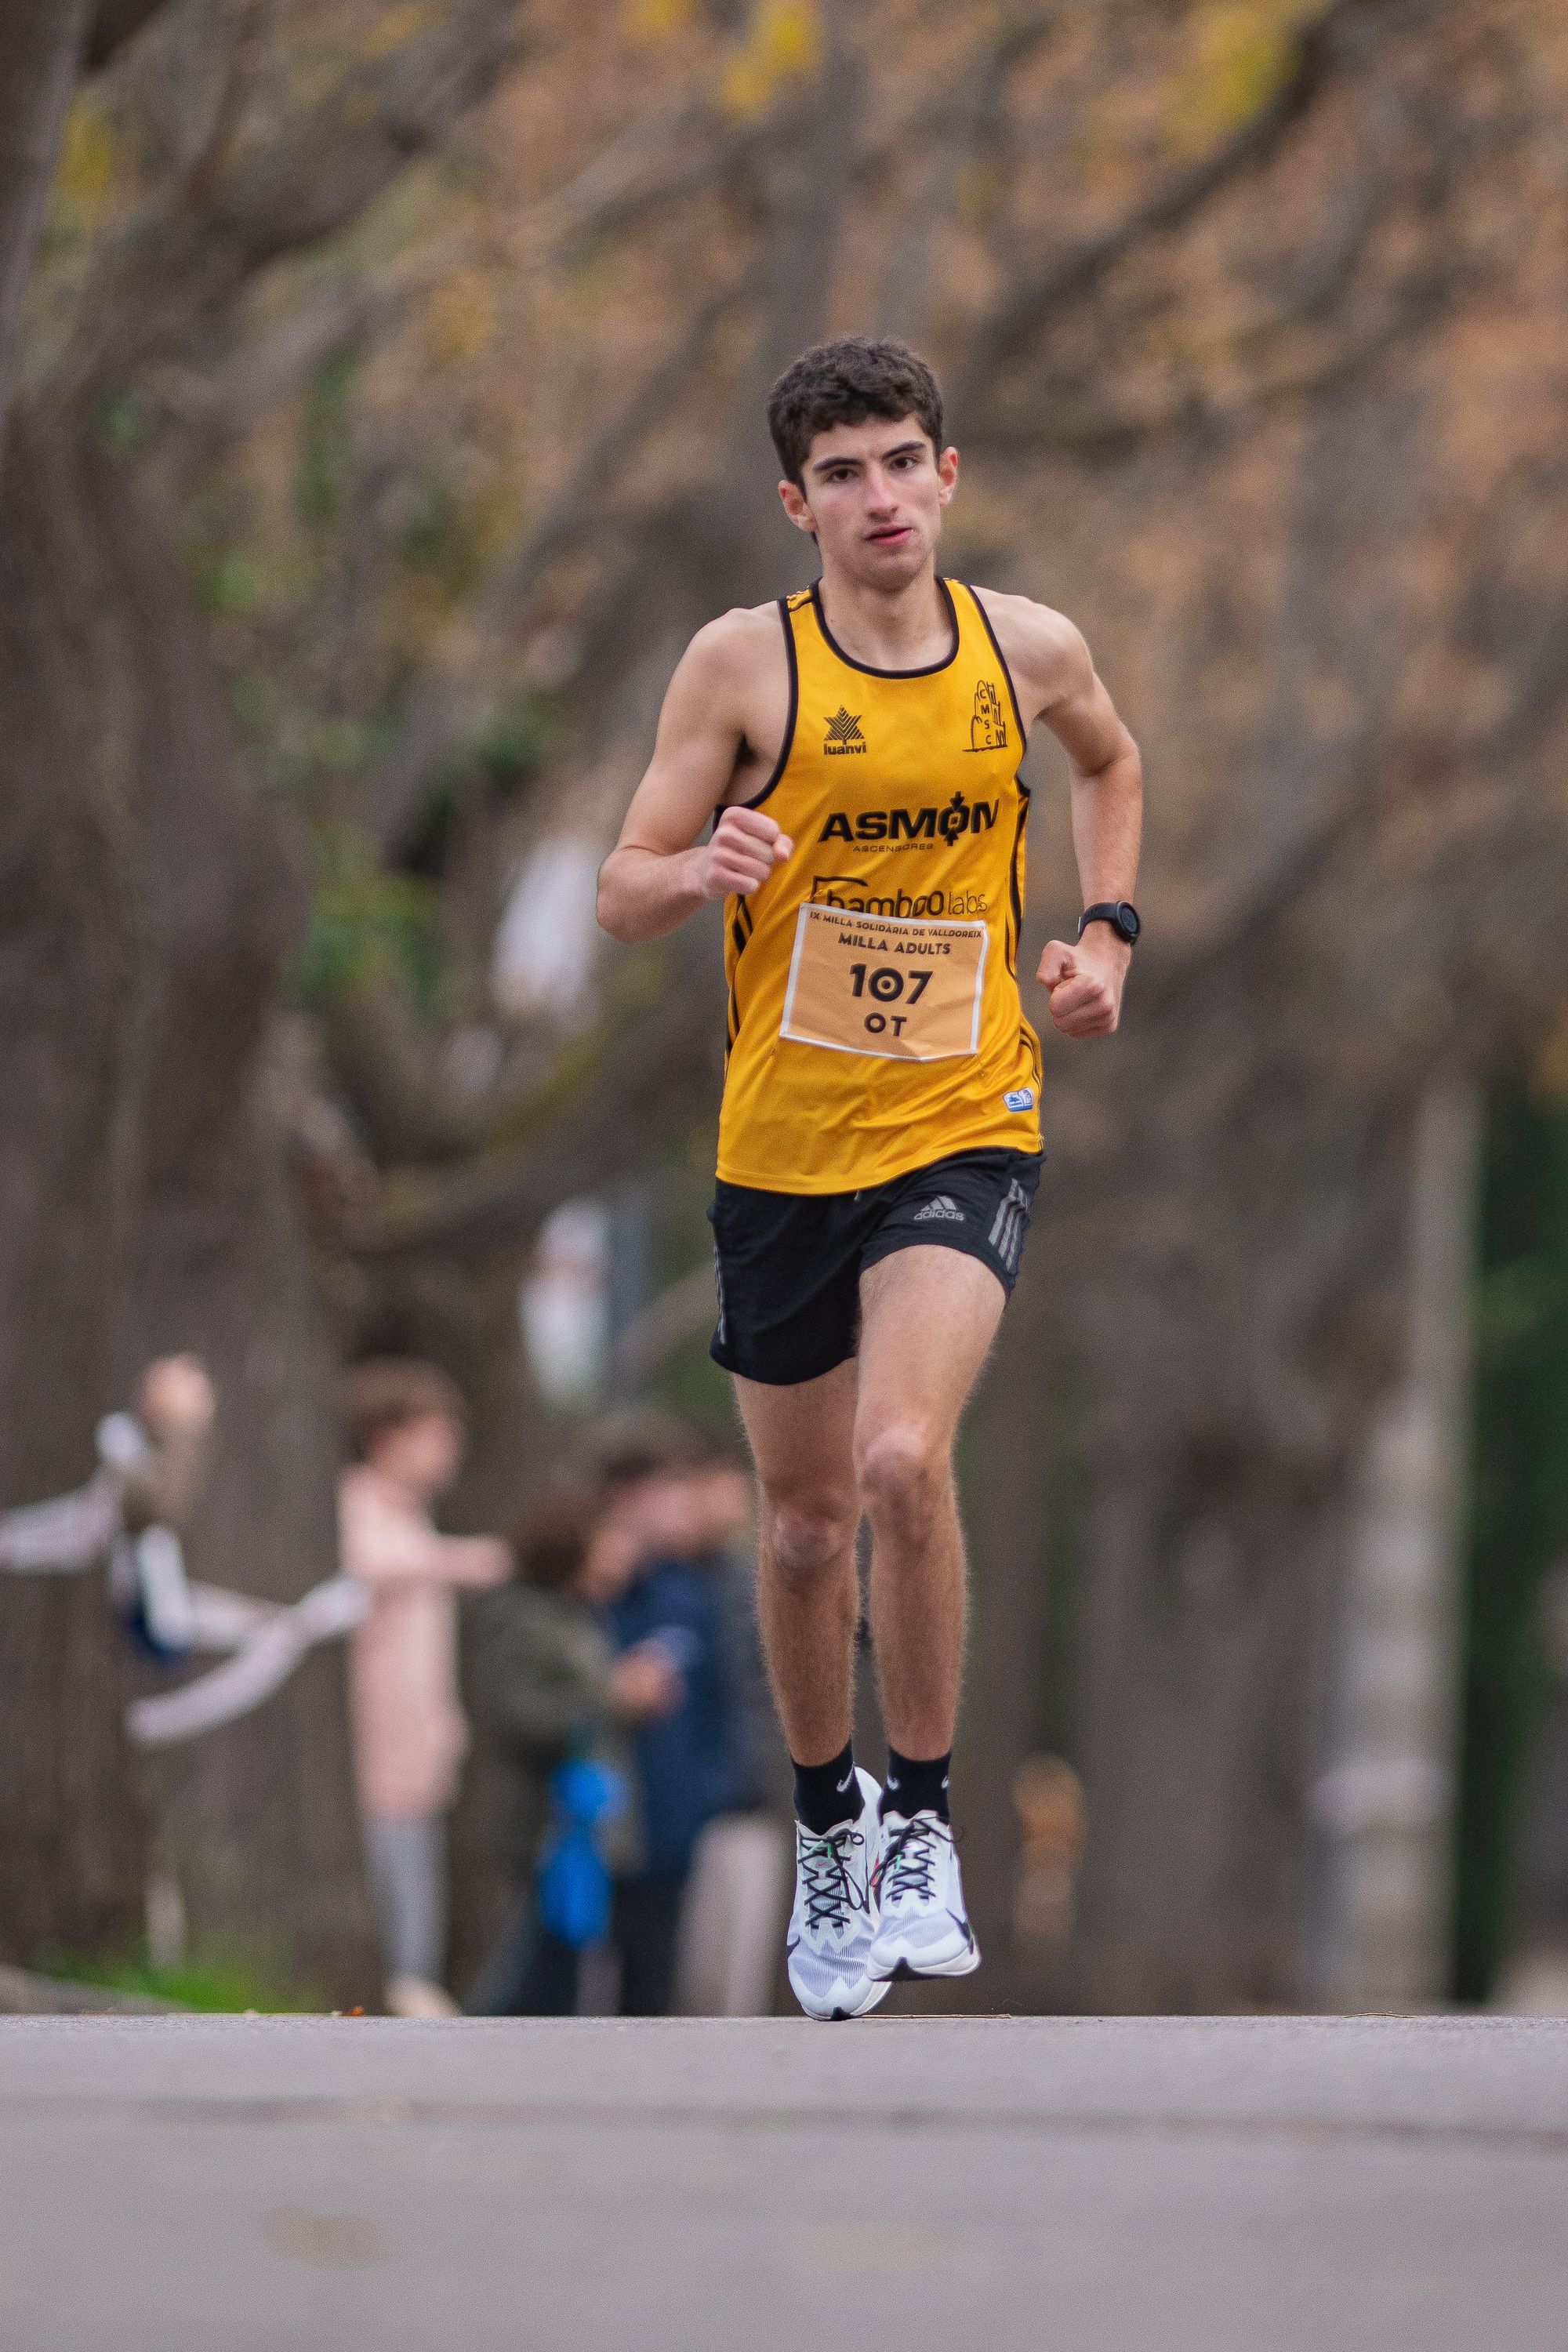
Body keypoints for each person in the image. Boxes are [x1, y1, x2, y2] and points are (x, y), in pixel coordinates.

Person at [596, 336, 1142, 2020]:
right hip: (780, 1149)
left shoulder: (1025, 648)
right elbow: (618, 886)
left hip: (965, 1113)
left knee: (908, 1458)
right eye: (842, 473)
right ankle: (829, 1822)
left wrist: (1107, 938)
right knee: (810, 1520)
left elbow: (1110, 766)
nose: (880, 496)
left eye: (903, 460)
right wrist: (701, 865)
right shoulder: (742, 670)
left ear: (947, 474)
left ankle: (920, 1818)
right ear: (797, 503)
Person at [466, 1475, 681, 2016]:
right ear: (571, 1544)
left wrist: (636, 1703)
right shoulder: (523, 1616)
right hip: (544, 1826)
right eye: (611, 1546)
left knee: (563, 1971)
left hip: (587, 1826)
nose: (623, 1560)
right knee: (533, 1968)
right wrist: (614, 1698)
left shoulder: (579, 1616)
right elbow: (524, 1719)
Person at [339, 1359, 510, 2018]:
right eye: (434, 1434)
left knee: (416, 1911)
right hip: (372, 1763)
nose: (449, 1452)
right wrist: (472, 1561)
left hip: (415, 1762)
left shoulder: (413, 1517)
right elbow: (369, 1563)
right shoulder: (358, 1502)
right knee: (396, 1914)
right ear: (387, 1438)